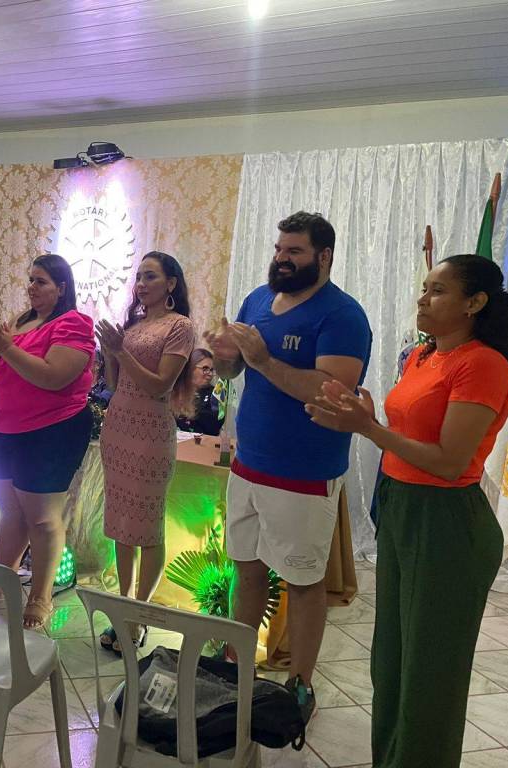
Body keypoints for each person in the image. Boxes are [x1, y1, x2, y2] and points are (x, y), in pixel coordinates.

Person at [306, 255, 508, 768]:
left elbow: (449, 462)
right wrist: (366, 419)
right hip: (402, 508)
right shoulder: (423, 356)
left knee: (430, 673)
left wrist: (369, 429)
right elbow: (408, 432)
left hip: (447, 522)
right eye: (425, 288)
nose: (423, 299)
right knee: (391, 662)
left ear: (475, 303)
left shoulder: (483, 365)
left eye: (438, 290)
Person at [204, 211, 372, 722]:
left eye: (294, 251)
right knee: (247, 570)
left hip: (303, 473)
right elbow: (234, 368)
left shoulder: (343, 315)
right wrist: (224, 356)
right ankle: (237, 666)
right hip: (248, 464)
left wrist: (261, 359)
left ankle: (301, 684)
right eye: (279, 249)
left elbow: (331, 391)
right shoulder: (258, 299)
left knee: (302, 582)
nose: (281, 258)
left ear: (324, 256)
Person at [0, 253, 95, 630]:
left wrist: (7, 347)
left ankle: (41, 596)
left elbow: (54, 376)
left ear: (62, 287)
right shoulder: (20, 321)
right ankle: (1, 580)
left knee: (41, 518)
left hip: (52, 430)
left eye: (41, 281)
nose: (31, 287)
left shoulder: (73, 323)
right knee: (8, 511)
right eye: (30, 280)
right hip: (6, 427)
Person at [95, 251, 195, 653]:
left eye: (150, 276)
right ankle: (123, 608)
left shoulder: (180, 326)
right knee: (122, 524)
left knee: (147, 527)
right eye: (138, 276)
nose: (141, 283)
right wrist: (110, 352)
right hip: (118, 429)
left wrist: (120, 351)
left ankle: (141, 615)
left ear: (171, 283)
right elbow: (115, 384)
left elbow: (159, 386)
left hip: (151, 434)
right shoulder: (133, 325)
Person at [175, 348, 225, 436]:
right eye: (205, 368)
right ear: (191, 368)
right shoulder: (175, 390)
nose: (210, 374)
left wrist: (192, 409)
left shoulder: (216, 394)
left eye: (211, 370)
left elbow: (214, 426)